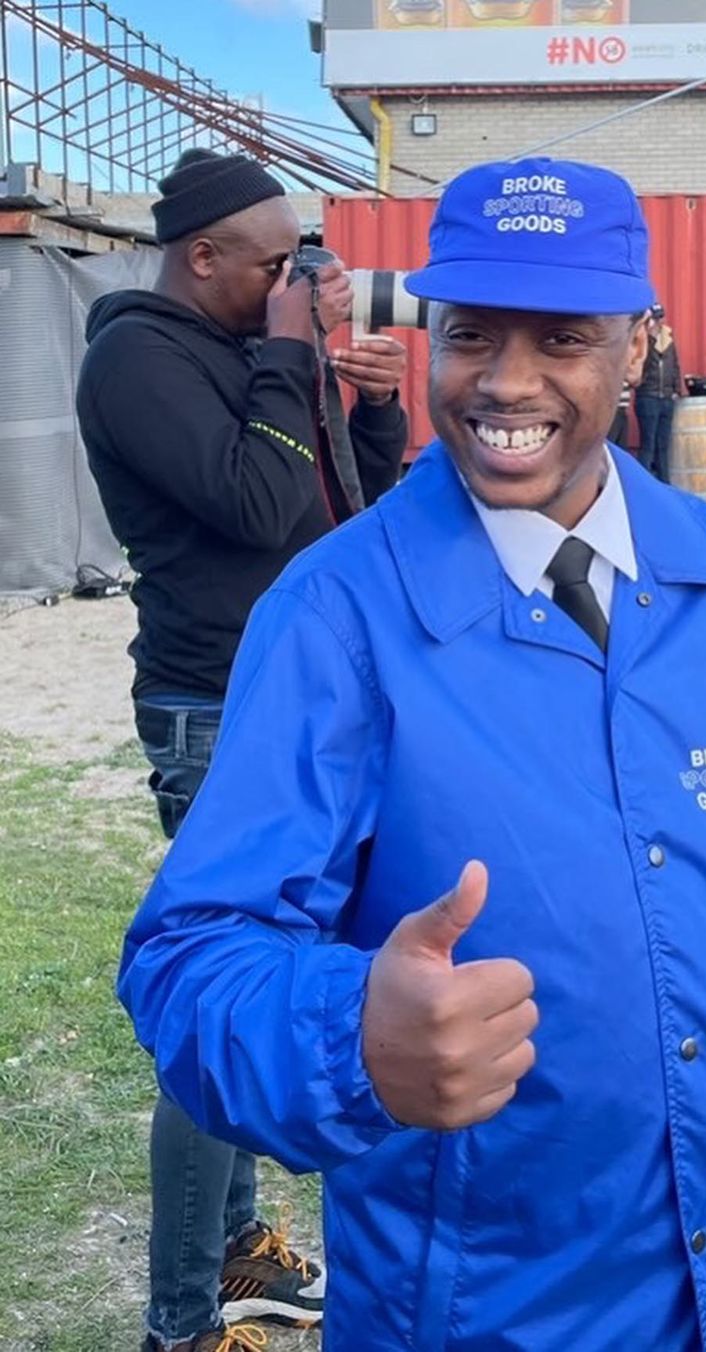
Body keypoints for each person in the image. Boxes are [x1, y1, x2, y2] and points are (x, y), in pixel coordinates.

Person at [118, 156, 706, 1352]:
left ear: (639, 344)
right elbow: (191, 954)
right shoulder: (337, 616)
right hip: (494, 1305)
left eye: (562, 337)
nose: (506, 381)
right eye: (472, 333)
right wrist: (351, 1036)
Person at [76, 149, 409, 1352]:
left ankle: (235, 1251)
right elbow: (257, 504)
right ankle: (180, 1323)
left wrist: (371, 402)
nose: (296, 284)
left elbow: (346, 510)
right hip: (213, 708)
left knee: (269, 984)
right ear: (201, 256)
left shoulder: (257, 353)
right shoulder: (135, 357)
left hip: (294, 702)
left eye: (300, 264)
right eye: (275, 266)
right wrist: (288, 352)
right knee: (224, 1001)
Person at [634, 301, 681, 481]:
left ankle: (664, 484)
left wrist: (677, 390)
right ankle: (644, 483)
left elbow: (674, 365)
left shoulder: (668, 338)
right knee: (648, 444)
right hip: (648, 396)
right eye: (655, 318)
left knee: (663, 446)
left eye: (661, 317)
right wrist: (651, 339)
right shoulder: (641, 339)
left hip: (666, 397)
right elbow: (642, 367)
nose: (659, 322)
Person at [607, 376, 633, 449]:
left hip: (622, 408)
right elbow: (635, 378)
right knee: (611, 443)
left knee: (621, 445)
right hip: (613, 408)